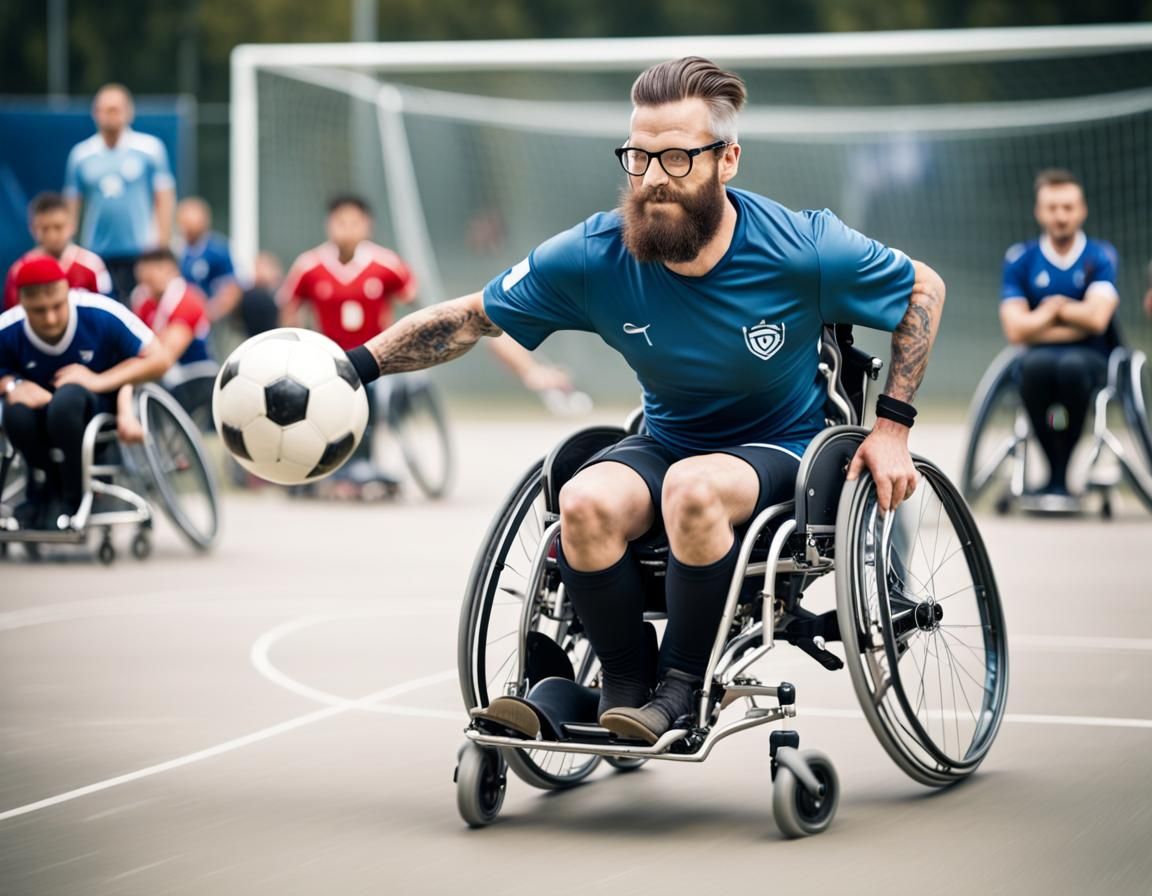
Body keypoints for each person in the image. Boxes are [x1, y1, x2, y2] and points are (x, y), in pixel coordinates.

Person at [339, 57, 946, 743]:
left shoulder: (802, 248)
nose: (655, 177)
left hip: (784, 448)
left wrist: (893, 427)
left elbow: (924, 290)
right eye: (639, 156)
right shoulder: (598, 254)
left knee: (692, 489)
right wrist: (350, 368)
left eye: (679, 158)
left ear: (728, 160)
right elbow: (471, 320)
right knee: (582, 502)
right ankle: (622, 690)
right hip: (666, 438)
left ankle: (683, 690)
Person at [0, 257, 168, 530]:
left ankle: (74, 496)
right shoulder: (9, 327)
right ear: (22, 304)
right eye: (39, 311)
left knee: (66, 400)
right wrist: (11, 386)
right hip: (36, 421)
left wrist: (98, 380)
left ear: (67, 292)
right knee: (14, 411)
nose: (50, 318)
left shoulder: (99, 312)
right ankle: (43, 490)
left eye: (57, 306)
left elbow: (160, 359)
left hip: (91, 412)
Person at [999, 169, 1120, 509]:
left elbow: (1098, 320)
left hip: (1088, 360)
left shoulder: (1101, 257)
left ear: (1081, 210)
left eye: (1068, 207)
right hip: (1038, 360)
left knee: (1070, 369)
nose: (1061, 216)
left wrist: (1050, 310)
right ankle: (1053, 472)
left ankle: (1061, 473)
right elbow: (1014, 329)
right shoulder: (1020, 259)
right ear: (1039, 212)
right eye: (1052, 208)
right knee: (1036, 369)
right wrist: (1071, 314)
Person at [63, 83, 176, 303]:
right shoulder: (80, 155)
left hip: (141, 252)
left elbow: (164, 198)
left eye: (115, 109)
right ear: (95, 113)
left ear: (129, 112)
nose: (110, 115)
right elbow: (72, 204)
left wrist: (161, 248)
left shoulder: (150, 149)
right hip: (97, 252)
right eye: (105, 109)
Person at [129, 248, 216, 423]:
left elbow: (166, 356)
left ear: (172, 270)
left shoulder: (187, 300)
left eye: (157, 268)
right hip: (167, 376)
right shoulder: (144, 300)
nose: (150, 275)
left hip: (195, 375)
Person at [4, 192, 112, 310]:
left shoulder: (92, 265)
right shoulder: (19, 270)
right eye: (45, 229)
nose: (52, 236)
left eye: (58, 227)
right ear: (32, 229)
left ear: (72, 226)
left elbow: (108, 308)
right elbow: (12, 316)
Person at [176, 197, 243, 324]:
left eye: (191, 223)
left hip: (210, 318)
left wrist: (207, 314)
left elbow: (231, 290)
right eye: (184, 223)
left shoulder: (218, 251)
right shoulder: (176, 251)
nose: (187, 228)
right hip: (180, 318)